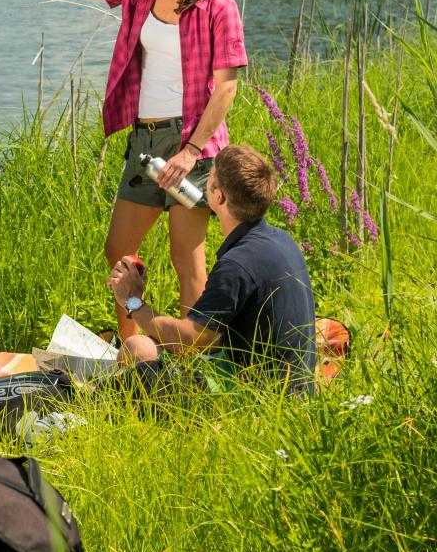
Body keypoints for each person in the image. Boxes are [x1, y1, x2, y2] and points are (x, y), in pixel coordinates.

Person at [0, 0, 245, 307]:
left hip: (192, 146)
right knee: (118, 252)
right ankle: (137, 348)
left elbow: (226, 88)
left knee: (186, 260)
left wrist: (191, 152)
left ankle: (195, 360)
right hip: (146, 141)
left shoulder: (218, 5)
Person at [109, 145, 326, 392]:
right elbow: (211, 340)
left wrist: (133, 301)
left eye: (208, 179)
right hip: (295, 388)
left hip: (256, 398)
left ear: (219, 197)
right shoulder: (282, 239)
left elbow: (191, 342)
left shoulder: (237, 264)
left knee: (138, 348)